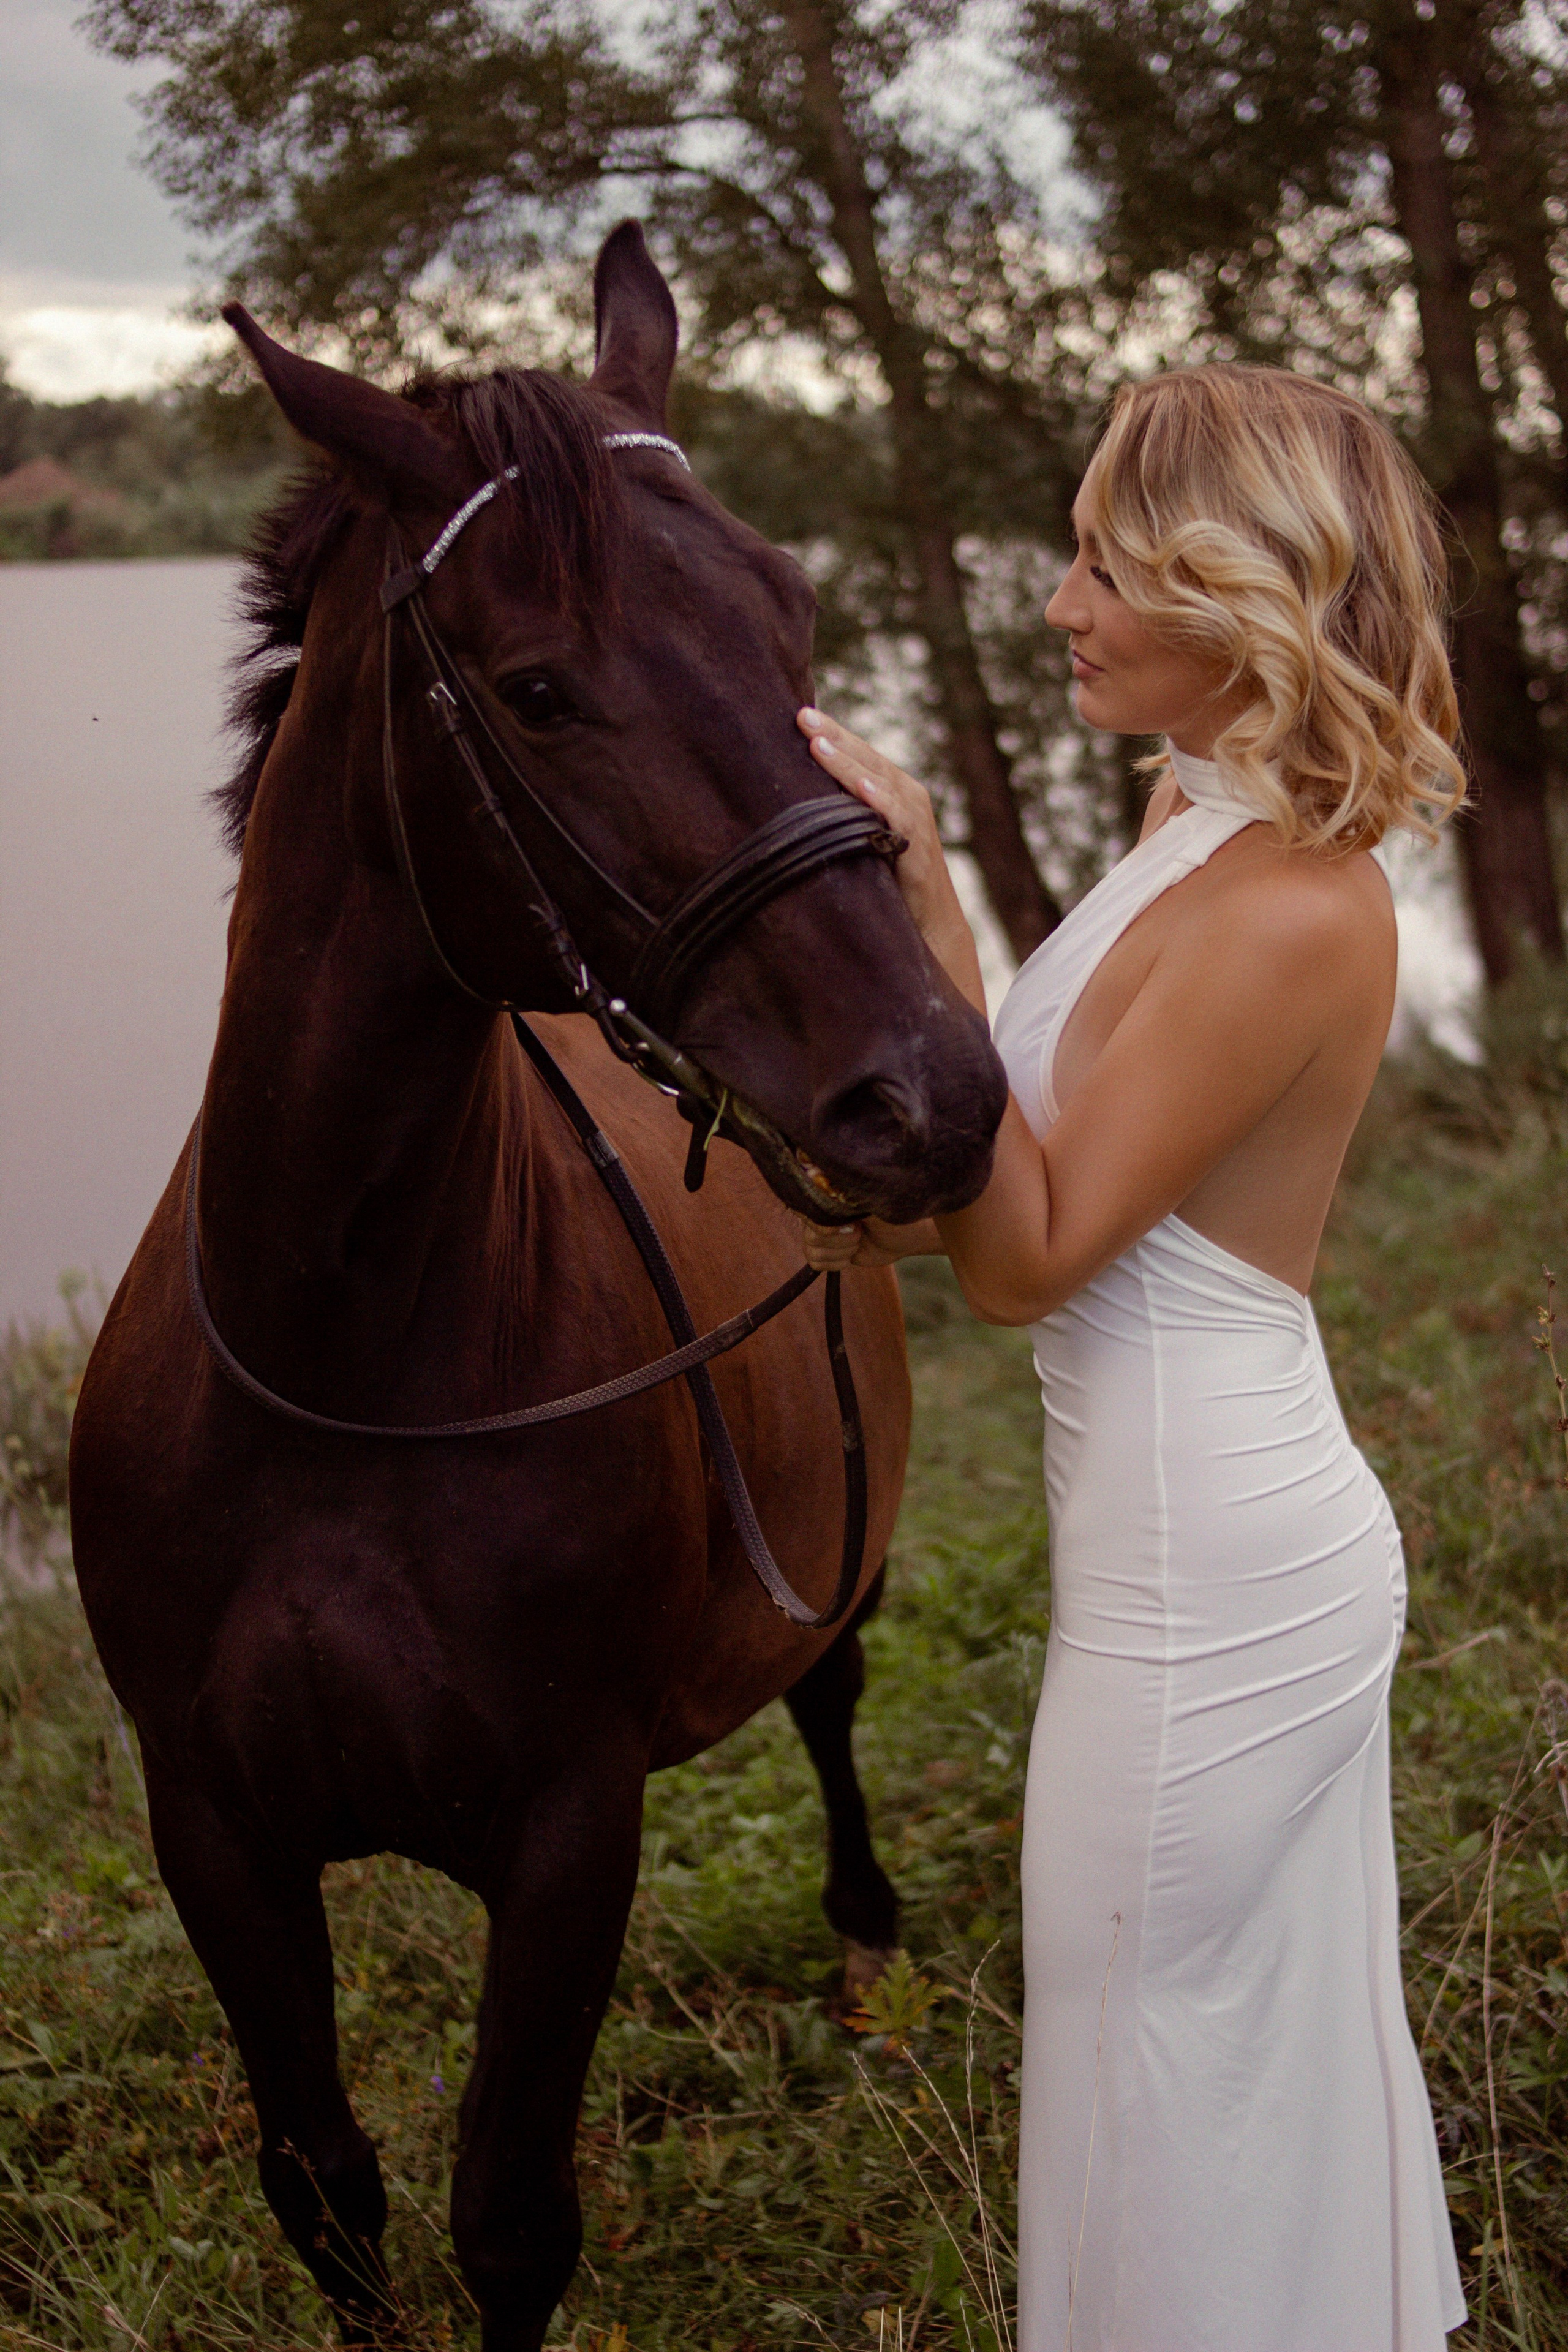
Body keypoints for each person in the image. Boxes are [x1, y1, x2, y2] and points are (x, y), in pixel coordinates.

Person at [797, 364, 1468, 2351]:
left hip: (1218, 1581)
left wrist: (921, 885)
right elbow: (1024, 1154)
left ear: (1240, 582)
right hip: (1187, 1540)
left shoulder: (1293, 912)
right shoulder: (1194, 815)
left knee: (1152, 2084)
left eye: (1107, 563)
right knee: (1194, 2076)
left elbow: (1023, 1258)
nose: (1064, 603)